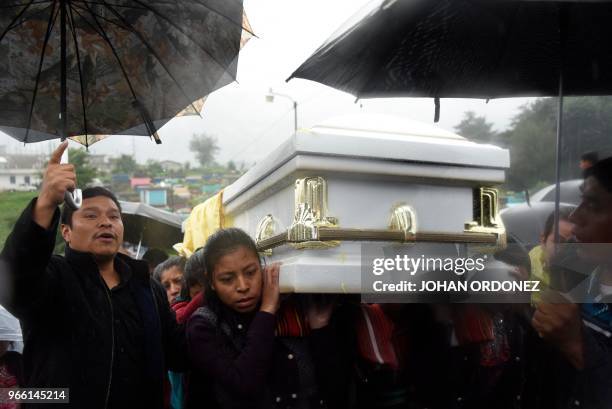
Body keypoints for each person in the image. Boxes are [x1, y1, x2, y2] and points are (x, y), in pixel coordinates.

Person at [0, 142, 185, 409]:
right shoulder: (53, 277)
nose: (105, 222)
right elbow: (13, 282)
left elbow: (179, 354)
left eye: (114, 216)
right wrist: (45, 204)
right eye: (90, 215)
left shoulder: (148, 289)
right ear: (66, 232)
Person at [185, 228, 349, 409]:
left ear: (261, 266)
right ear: (211, 282)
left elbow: (335, 392)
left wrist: (319, 329)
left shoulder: (291, 308)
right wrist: (267, 310)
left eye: (250, 272)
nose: (243, 286)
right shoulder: (203, 326)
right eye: (227, 279)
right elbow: (244, 383)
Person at [531, 157, 612, 408]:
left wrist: (577, 346)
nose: (575, 216)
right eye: (581, 201)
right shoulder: (578, 280)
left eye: (593, 205)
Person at [528, 208, 574, 303]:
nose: (565, 249)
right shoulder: (526, 265)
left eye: (573, 243)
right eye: (558, 241)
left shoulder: (588, 280)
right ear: (543, 240)